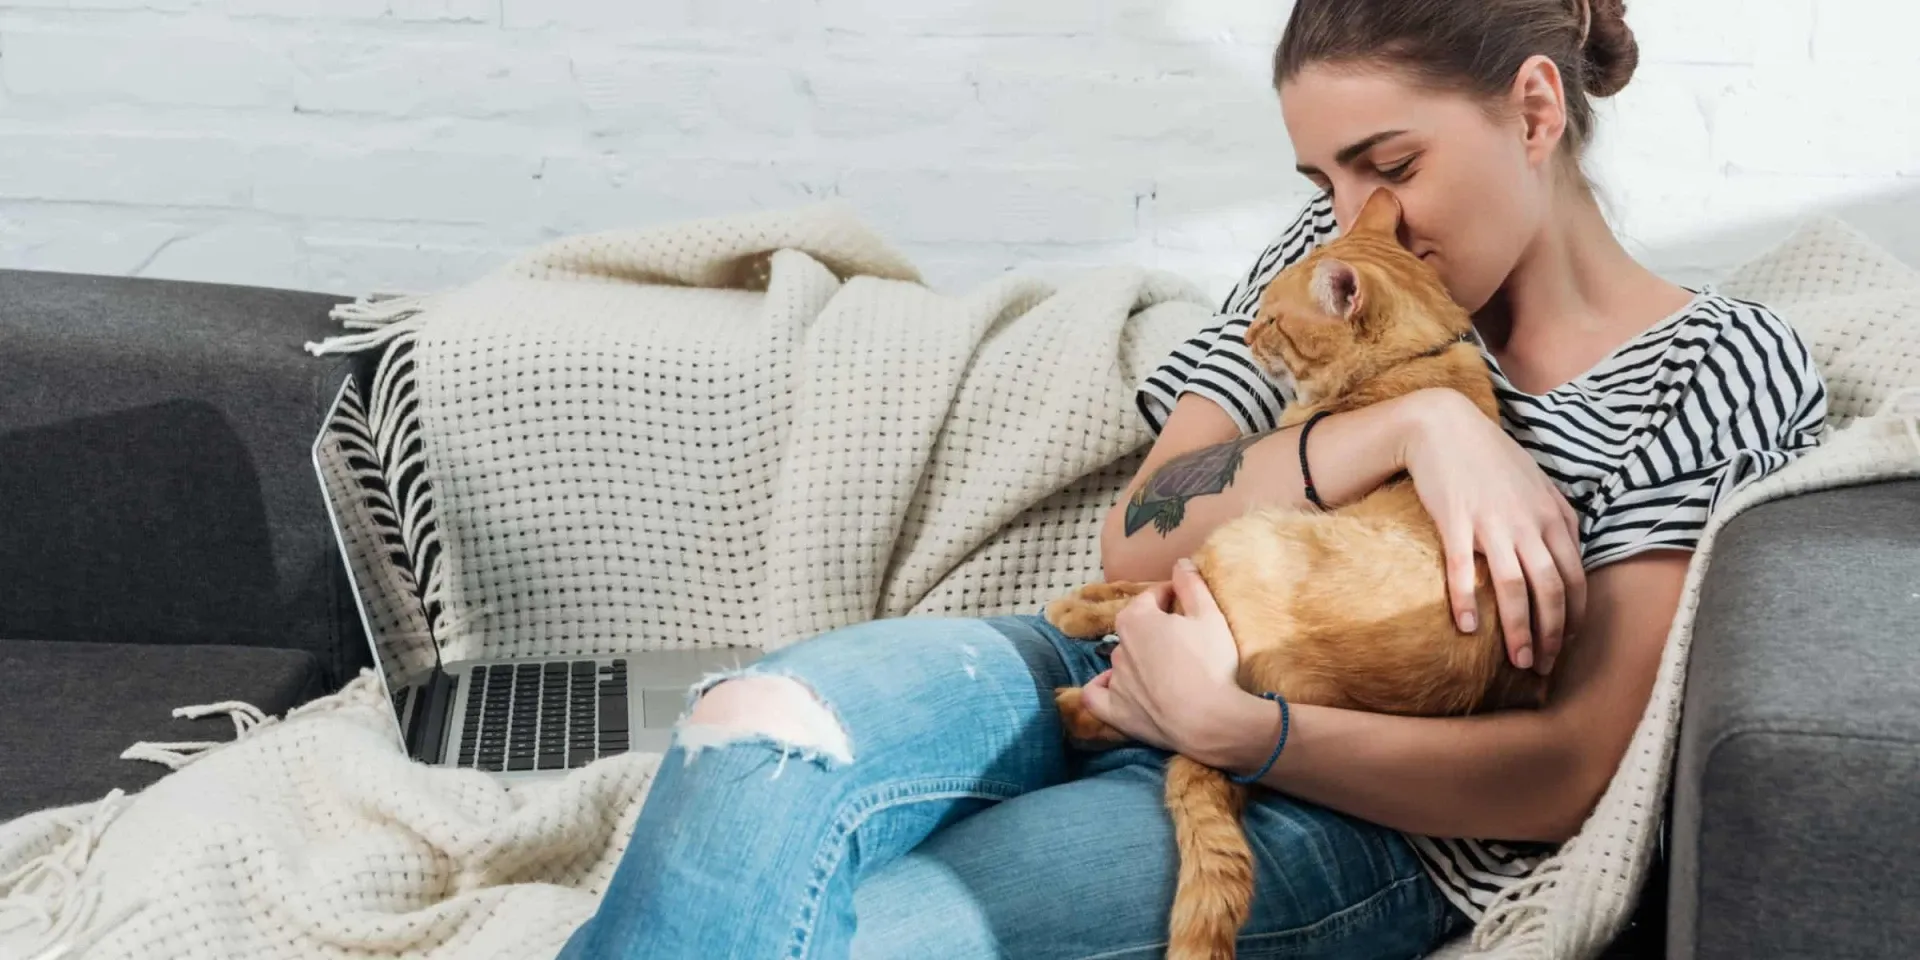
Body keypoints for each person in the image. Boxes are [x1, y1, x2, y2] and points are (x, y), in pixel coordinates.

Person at [558, 0, 1829, 956]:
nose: (1353, 213)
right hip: (1121, 656)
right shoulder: (1326, 262)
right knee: (755, 729)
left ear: (1536, 111)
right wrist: (1416, 435)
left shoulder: (1715, 366)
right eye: (1324, 179)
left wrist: (1244, 731)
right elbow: (1143, 534)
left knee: (878, 931)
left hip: (1339, 809)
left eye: (1389, 165)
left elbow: (1565, 770)